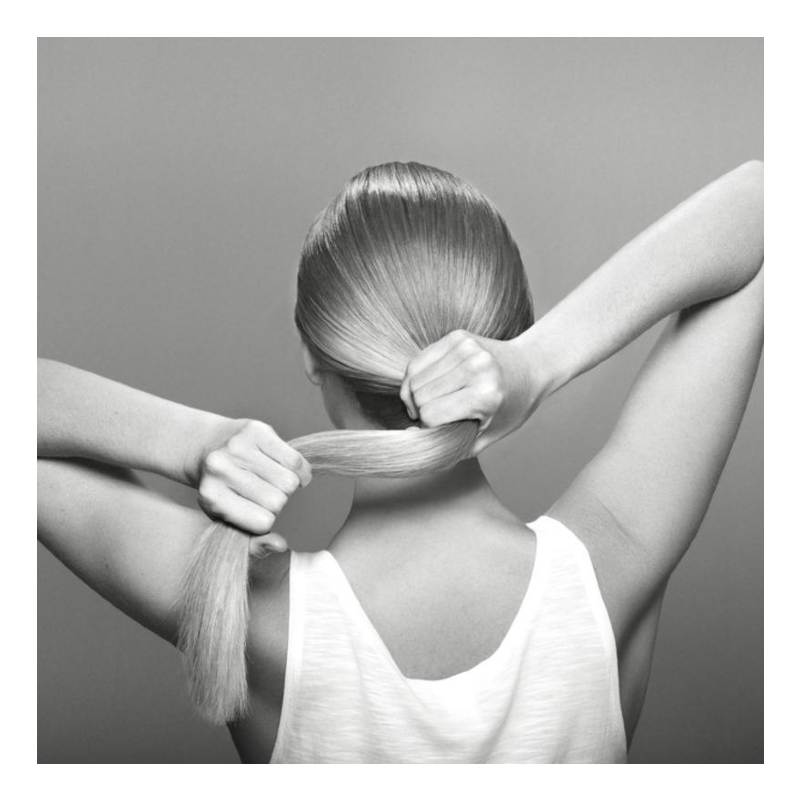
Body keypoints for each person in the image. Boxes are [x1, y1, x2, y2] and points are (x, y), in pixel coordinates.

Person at [37, 159, 764, 763]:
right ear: (505, 330)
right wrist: (538, 362)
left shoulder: (253, 613)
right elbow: (767, 203)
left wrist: (194, 441)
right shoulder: (614, 558)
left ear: (314, 356)